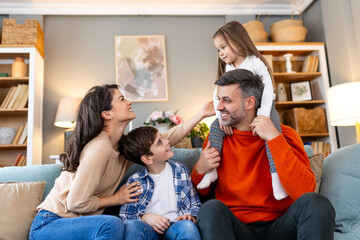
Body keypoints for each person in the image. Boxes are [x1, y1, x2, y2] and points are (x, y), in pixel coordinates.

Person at [29, 84, 214, 240]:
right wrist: (116, 199)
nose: (129, 102)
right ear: (107, 114)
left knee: (114, 224)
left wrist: (201, 114)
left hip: (79, 224)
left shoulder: (120, 148)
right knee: (112, 224)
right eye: (122, 99)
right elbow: (75, 203)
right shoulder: (98, 148)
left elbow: (167, 138)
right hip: (51, 223)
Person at [192, 69, 335, 240]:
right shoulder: (217, 138)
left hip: (281, 225)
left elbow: (305, 191)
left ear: (249, 102)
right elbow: (200, 194)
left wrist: (274, 138)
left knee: (317, 204)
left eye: (227, 100)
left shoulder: (286, 135)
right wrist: (199, 169)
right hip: (237, 228)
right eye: (219, 99)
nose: (219, 106)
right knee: (210, 209)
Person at [197, 21, 286, 201]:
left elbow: (268, 92)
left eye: (223, 47)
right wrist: (222, 120)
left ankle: (276, 177)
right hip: (238, 116)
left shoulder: (255, 63)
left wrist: (263, 116)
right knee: (214, 128)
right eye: (218, 50)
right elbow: (217, 95)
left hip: (265, 108)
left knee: (274, 135)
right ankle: (211, 171)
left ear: (237, 42)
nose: (220, 53)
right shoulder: (228, 69)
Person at [118, 126, 201, 240]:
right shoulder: (135, 180)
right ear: (147, 159)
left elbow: (195, 204)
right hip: (149, 230)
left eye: (162, 138)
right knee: (133, 226)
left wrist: (190, 215)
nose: (167, 141)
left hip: (177, 225)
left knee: (188, 227)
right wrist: (145, 217)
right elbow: (126, 216)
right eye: (159, 143)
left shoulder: (180, 171)